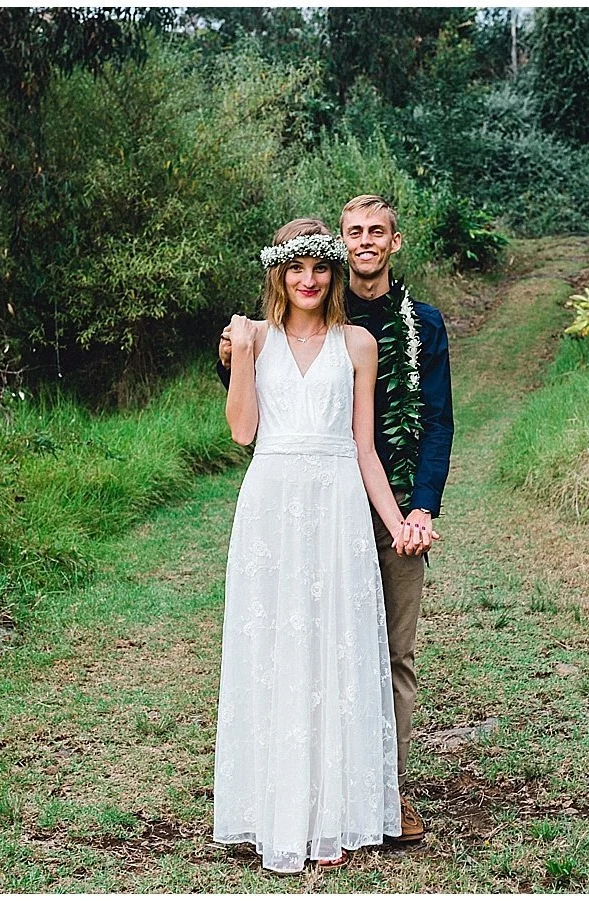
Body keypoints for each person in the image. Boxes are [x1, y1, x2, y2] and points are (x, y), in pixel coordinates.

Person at [218, 195, 455, 846]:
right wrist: (236, 349)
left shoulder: (377, 338)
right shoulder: (258, 337)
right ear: (281, 274)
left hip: (345, 504)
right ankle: (283, 804)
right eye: (298, 267)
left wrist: (410, 516)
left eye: (319, 266)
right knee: (282, 648)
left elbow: (374, 445)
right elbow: (243, 430)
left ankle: (363, 798)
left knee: (358, 651)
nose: (310, 278)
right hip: (274, 507)